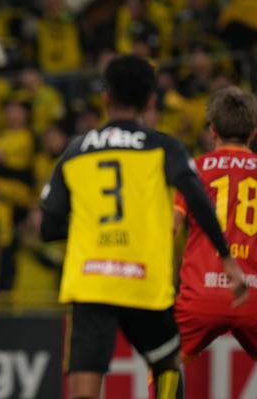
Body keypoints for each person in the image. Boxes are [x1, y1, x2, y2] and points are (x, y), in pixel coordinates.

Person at [39, 55, 247, 399]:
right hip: (143, 281)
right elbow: (197, 197)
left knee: (84, 384)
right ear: (151, 100)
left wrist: (90, 229)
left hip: (90, 283)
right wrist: (226, 258)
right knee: (167, 366)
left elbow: (49, 226)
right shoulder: (163, 147)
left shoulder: (75, 151)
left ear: (105, 97)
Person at [174, 86, 257, 364]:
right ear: (253, 132)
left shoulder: (194, 170)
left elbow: (171, 228)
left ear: (212, 131)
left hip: (200, 293)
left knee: (165, 362)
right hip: (252, 295)